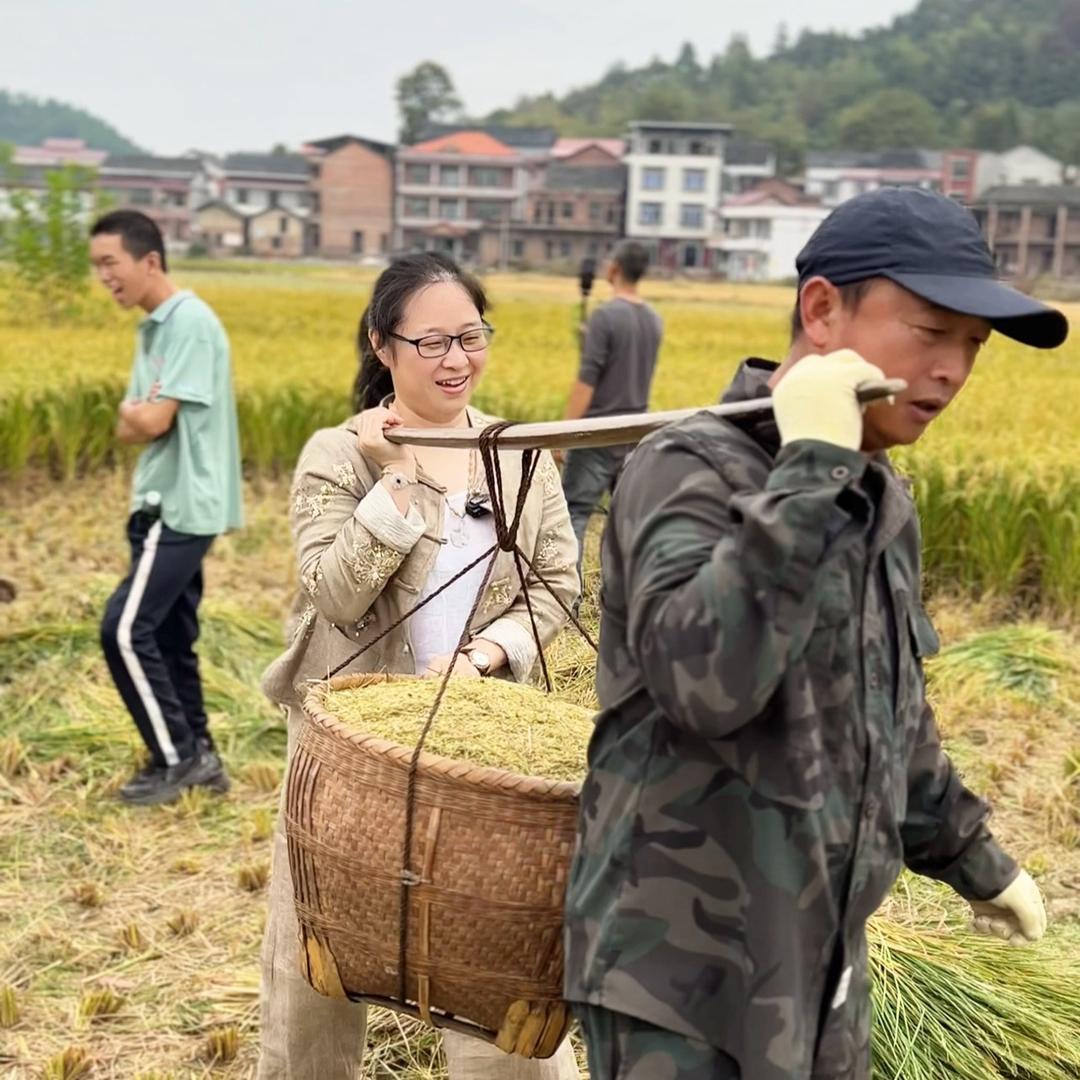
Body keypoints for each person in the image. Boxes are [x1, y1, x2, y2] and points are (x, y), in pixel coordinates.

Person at [563, 188, 1066, 1080]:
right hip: (678, 981)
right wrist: (812, 473)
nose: (952, 370)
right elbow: (704, 685)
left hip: (821, 967)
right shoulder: (685, 469)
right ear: (823, 309)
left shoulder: (879, 496)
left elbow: (889, 720)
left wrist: (977, 862)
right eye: (931, 330)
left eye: (973, 346)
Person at [258, 252, 582, 1079]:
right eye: (432, 341)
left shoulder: (523, 454)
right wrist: (398, 479)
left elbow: (556, 590)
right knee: (315, 964)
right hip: (346, 750)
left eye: (471, 337)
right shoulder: (340, 454)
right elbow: (334, 595)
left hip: (472, 749)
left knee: (493, 961)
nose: (456, 361)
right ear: (383, 345)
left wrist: (480, 658)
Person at [91, 210, 243, 807]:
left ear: (149, 260)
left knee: (124, 630)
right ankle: (198, 752)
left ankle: (177, 758)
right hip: (159, 496)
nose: (103, 276)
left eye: (111, 262)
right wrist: (140, 414)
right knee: (171, 635)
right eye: (96, 265)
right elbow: (131, 428)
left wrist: (140, 411)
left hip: (182, 503)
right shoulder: (153, 328)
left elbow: (146, 419)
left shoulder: (189, 323)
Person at [560, 241, 662, 588]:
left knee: (574, 512)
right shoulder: (652, 319)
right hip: (635, 433)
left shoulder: (605, 316)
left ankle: (566, 598)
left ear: (615, 268)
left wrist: (563, 435)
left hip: (599, 431)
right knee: (625, 520)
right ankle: (623, 596)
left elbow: (587, 382)